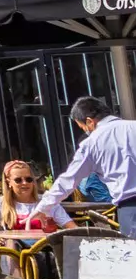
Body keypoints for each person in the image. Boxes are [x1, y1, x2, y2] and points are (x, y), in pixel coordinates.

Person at [38, 97, 136, 231]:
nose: (85, 131)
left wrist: (43, 206)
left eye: (83, 127)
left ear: (89, 121)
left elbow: (69, 179)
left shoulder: (92, 143)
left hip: (131, 210)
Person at [0, 160, 73, 240]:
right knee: (10, 242)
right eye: (18, 180)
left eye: (29, 179)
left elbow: (72, 227)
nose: (24, 183)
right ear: (8, 182)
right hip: (14, 249)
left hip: (45, 247)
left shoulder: (47, 201)